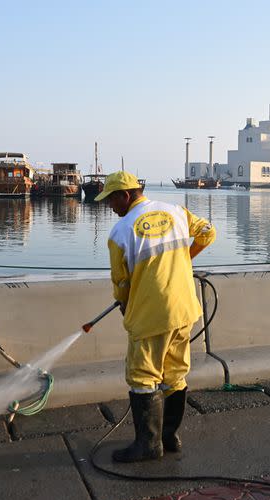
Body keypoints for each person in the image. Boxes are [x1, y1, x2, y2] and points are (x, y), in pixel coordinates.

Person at [95, 171, 216, 463]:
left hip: (151, 316)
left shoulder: (120, 232)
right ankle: (168, 437)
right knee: (175, 374)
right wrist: (183, 259)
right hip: (185, 309)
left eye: (111, 199)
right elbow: (208, 232)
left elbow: (121, 283)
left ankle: (148, 446)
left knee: (142, 377)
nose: (110, 206)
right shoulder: (175, 211)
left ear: (125, 195)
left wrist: (125, 305)